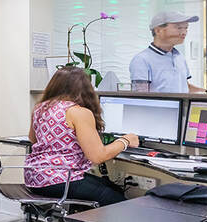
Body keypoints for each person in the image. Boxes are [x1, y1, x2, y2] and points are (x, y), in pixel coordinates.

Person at [25, 66, 135, 206]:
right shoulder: (78, 112)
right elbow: (97, 157)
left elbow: (33, 139)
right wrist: (126, 140)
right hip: (60, 180)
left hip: (34, 178)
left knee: (111, 187)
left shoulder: (40, 107)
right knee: (120, 203)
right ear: (85, 89)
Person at [129, 11, 206, 93]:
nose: (184, 33)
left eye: (186, 28)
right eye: (179, 28)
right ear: (158, 31)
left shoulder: (179, 57)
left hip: (182, 106)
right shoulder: (142, 60)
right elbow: (140, 95)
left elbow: (184, 87)